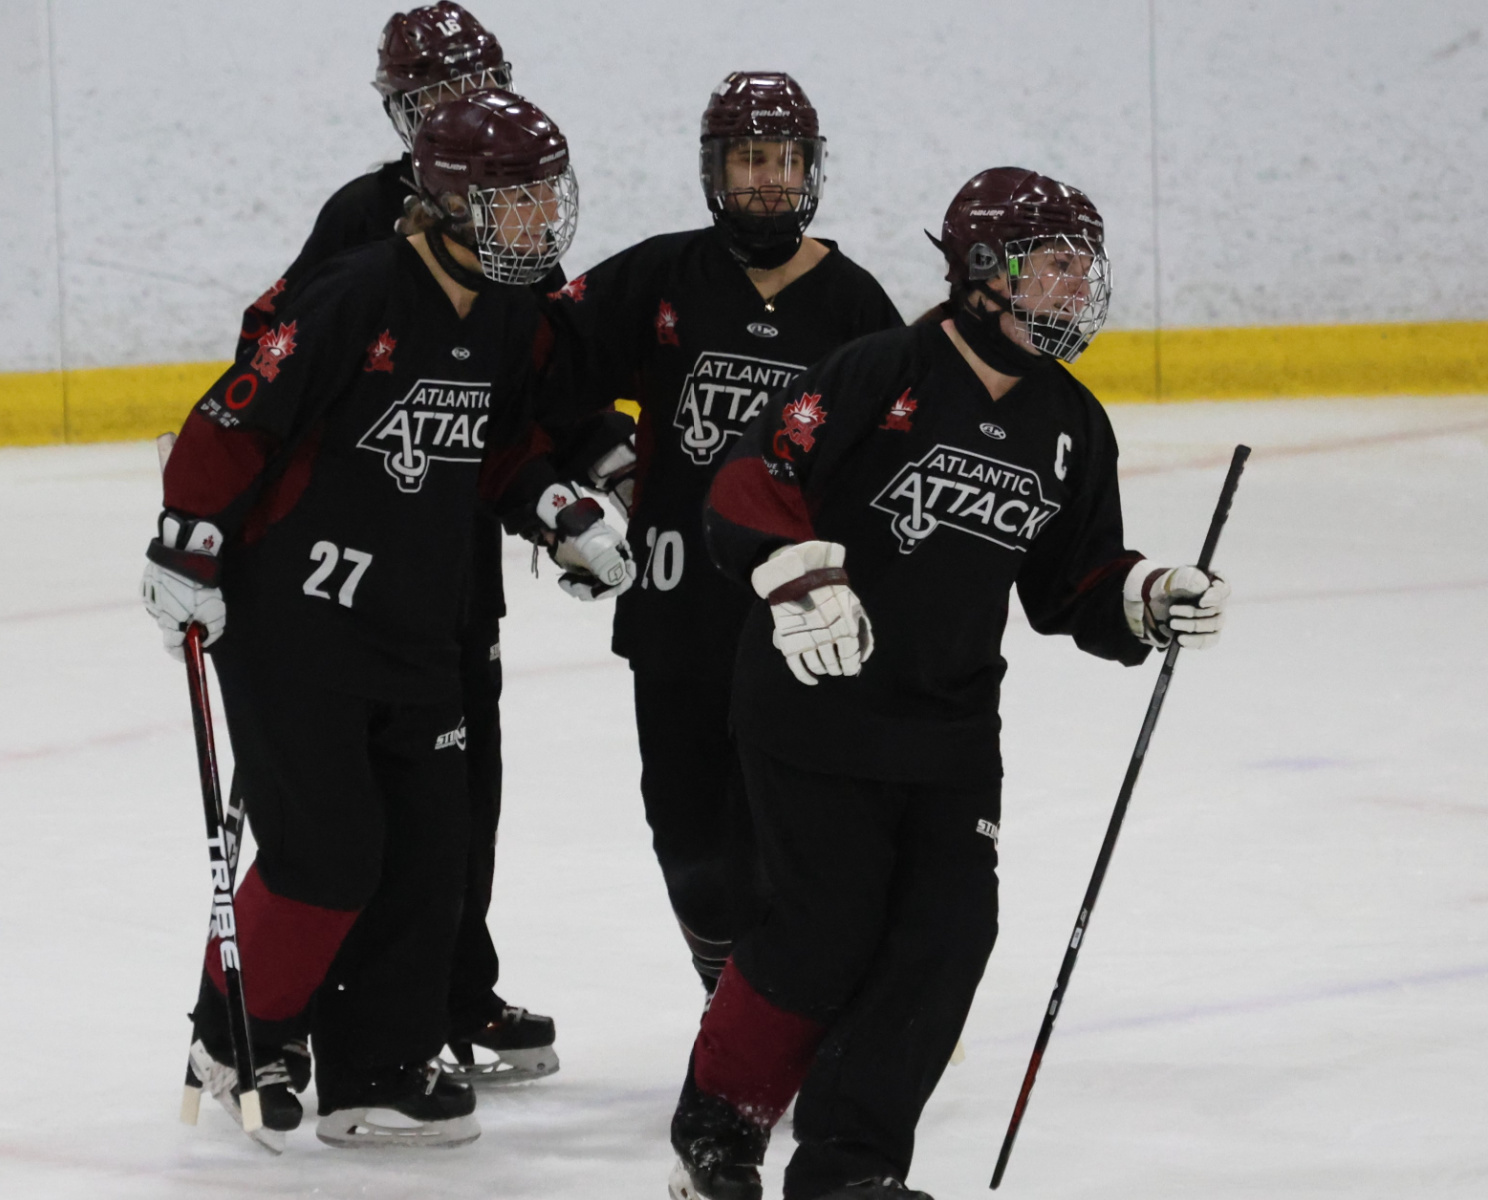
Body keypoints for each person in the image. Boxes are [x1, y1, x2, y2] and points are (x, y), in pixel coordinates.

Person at [666, 167, 1232, 1200]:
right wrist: (801, 577)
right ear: (982, 274)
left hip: (951, 726)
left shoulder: (1071, 424)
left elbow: (1072, 582)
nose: (1072, 289)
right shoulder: (880, 369)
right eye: (1051, 266)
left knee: (945, 938)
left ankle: (848, 1169)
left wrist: (1145, 596)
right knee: (820, 930)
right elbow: (754, 478)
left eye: (1080, 269)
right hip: (813, 704)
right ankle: (717, 1134)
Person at [141, 90, 613, 1149]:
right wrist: (184, 545)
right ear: (448, 197)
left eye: (546, 196)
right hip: (296, 621)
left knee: (424, 859)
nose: (540, 220)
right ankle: (239, 1034)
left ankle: (380, 1066)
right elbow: (231, 421)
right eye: (515, 199)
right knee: (330, 854)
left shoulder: (504, 309)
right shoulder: (355, 294)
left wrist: (556, 510)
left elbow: (493, 448)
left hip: (419, 624)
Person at [236, 3, 564, 1086]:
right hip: (349, 565)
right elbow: (273, 359)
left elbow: (529, 391)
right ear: (402, 115)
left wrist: (573, 487)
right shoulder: (364, 222)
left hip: (453, 563)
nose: (459, 111)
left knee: (454, 812)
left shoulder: (517, 213)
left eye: (473, 85)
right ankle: (287, 1026)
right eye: (432, 97)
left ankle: (445, 999)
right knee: (339, 818)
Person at [545, 71, 902, 993]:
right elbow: (539, 366)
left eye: (783, 161)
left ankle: (784, 999)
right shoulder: (660, 275)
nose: (767, 183)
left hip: (791, 620)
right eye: (747, 161)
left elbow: (895, 462)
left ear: (812, 170)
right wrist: (591, 466)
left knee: (787, 829)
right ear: (714, 172)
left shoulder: (856, 306)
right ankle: (733, 992)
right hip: (674, 611)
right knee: (686, 830)